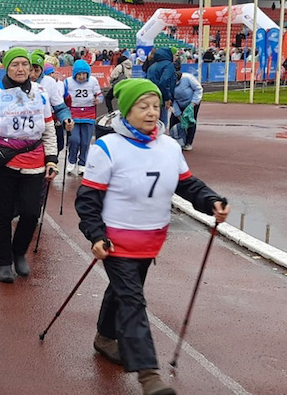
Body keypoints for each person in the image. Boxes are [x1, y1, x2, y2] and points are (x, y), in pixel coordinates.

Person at [75, 78, 229, 395]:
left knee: (124, 291)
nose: (151, 112)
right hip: (116, 242)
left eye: (156, 106)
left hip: (150, 241)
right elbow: (87, 200)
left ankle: (104, 337)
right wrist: (96, 235)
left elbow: (186, 184)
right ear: (127, 111)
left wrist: (211, 200)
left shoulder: (169, 147)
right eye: (143, 106)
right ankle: (149, 377)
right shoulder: (107, 147)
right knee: (133, 301)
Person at [0, 47, 58, 283]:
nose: (20, 69)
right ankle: (3, 261)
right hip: (4, 164)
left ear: (30, 68)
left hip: (34, 163)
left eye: (24, 64)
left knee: (30, 213)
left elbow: (49, 128)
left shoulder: (40, 93)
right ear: (6, 68)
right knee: (4, 214)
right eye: (15, 64)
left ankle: (18, 252)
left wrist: (51, 158)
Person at [63, 60, 103, 175]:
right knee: (74, 140)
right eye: (79, 74)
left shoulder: (93, 81)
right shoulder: (68, 82)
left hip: (88, 114)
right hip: (73, 115)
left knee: (85, 142)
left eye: (84, 74)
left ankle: (82, 163)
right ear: (74, 74)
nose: (81, 77)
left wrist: (98, 100)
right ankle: (72, 160)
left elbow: (99, 95)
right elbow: (63, 96)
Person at [169, 71, 203, 151]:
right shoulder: (168, 83)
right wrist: (178, 114)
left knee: (190, 121)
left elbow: (198, 89)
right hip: (177, 103)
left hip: (192, 102)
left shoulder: (188, 78)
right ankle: (173, 142)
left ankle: (188, 143)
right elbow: (172, 99)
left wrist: (193, 103)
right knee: (173, 121)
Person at [145, 48, 176, 130]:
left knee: (152, 121)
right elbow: (164, 82)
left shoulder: (152, 67)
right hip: (162, 97)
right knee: (162, 123)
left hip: (151, 96)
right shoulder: (168, 65)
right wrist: (167, 98)